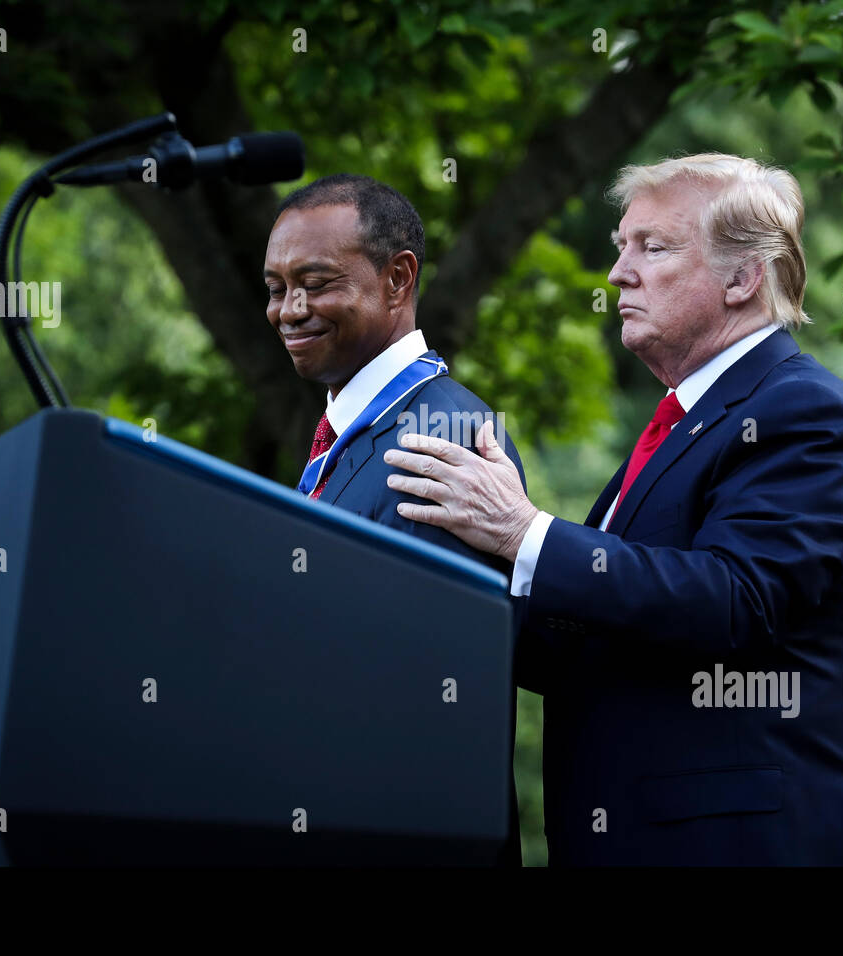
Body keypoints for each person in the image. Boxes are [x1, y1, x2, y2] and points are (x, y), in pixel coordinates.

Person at [385, 154, 843, 866]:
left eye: (652, 247)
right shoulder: (680, 425)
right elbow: (586, 644)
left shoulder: (804, 412)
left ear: (742, 277)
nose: (618, 274)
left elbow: (736, 600)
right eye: (620, 247)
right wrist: (443, 573)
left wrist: (522, 531)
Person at [264, 173, 525, 866]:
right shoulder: (351, 437)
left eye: (315, 283)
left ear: (397, 279)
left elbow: (425, 703)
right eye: (275, 287)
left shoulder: (437, 437)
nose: (289, 309)